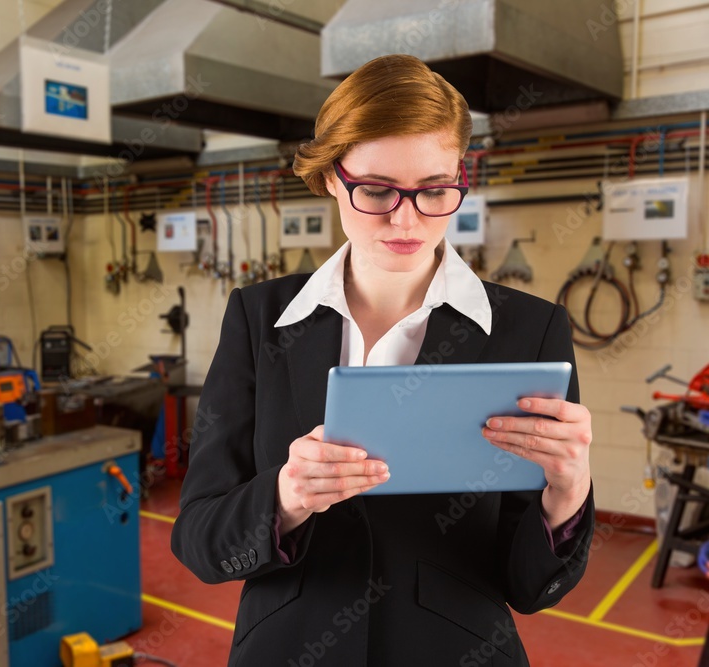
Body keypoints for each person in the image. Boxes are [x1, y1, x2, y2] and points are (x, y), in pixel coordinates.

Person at [170, 54, 594, 666]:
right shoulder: (259, 319)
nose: (406, 217)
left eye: (434, 191)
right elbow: (199, 541)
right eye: (375, 190)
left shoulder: (530, 329)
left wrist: (568, 492)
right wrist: (286, 497)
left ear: (459, 179)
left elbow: (529, 588)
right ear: (329, 179)